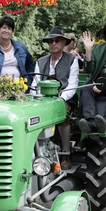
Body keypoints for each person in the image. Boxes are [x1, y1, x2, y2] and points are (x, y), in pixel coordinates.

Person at [31, 26, 79, 170]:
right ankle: (36, 153)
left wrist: (61, 98)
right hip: (43, 98)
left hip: (64, 98)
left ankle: (66, 153)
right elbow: (35, 83)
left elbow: (72, 85)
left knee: (62, 112)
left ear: (64, 43)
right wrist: (36, 98)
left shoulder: (72, 60)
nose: (53, 43)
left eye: (57, 41)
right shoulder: (40, 61)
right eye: (50, 41)